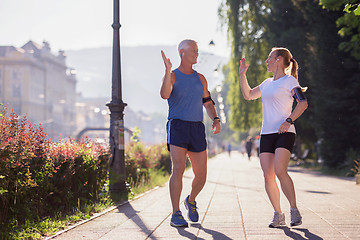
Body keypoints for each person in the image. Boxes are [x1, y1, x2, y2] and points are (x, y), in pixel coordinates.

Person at [238, 47, 308, 228]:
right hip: (267, 134)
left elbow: (303, 103)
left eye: (269, 57)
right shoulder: (267, 83)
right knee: (268, 175)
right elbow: (248, 95)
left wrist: (289, 120)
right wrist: (242, 75)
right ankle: (278, 214)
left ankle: (293, 209)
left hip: (285, 132)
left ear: (279, 59)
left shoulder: (290, 81)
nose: (267, 61)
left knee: (279, 171)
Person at [160, 39, 221, 227]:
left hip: (196, 128)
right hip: (177, 126)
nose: (197, 53)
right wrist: (167, 71)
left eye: (197, 50)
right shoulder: (173, 76)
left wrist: (216, 119)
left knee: (201, 175)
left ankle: (191, 200)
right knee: (177, 169)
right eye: (193, 51)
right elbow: (164, 94)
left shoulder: (201, 78)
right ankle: (175, 213)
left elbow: (208, 102)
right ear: (182, 53)